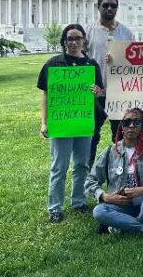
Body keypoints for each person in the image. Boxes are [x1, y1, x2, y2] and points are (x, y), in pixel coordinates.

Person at [36, 24, 103, 223]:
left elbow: (98, 92)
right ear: (64, 41)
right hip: (61, 124)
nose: (73, 42)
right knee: (59, 166)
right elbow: (46, 95)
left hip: (83, 122)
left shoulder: (91, 65)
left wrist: (96, 92)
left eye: (77, 38)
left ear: (84, 40)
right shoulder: (53, 64)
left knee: (82, 164)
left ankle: (78, 201)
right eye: (69, 38)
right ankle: (55, 207)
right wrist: (44, 123)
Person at [85, 108, 143, 241]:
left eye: (137, 122)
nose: (131, 126)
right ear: (122, 127)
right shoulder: (111, 151)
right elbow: (90, 181)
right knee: (99, 211)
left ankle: (123, 224)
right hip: (122, 205)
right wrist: (106, 197)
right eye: (127, 122)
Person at [86, 0, 134, 167]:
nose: (109, 9)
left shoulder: (127, 33)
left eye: (113, 6)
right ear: (98, 7)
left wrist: (119, 59)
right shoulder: (88, 31)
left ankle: (120, 170)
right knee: (91, 135)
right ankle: (88, 171)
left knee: (120, 135)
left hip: (119, 93)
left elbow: (134, 63)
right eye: (105, 5)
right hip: (94, 93)